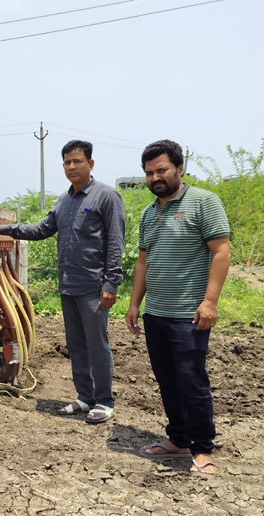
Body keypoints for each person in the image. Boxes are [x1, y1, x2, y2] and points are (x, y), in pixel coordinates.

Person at [0, 140, 125, 424]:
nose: (72, 167)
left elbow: (115, 243)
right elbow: (41, 229)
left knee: (97, 344)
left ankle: (104, 401)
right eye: (67, 162)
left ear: (91, 164)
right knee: (76, 345)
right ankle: (85, 397)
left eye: (77, 161)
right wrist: (4, 228)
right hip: (68, 285)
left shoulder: (106, 196)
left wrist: (111, 284)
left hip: (93, 287)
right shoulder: (63, 201)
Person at [126, 140, 230, 478]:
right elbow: (143, 262)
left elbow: (221, 251)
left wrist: (210, 301)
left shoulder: (203, 202)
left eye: (162, 170)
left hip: (189, 314)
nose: (155, 177)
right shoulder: (148, 213)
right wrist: (134, 304)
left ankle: (202, 448)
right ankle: (179, 440)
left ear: (180, 169)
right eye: (149, 172)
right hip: (156, 313)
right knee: (167, 381)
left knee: (191, 381)